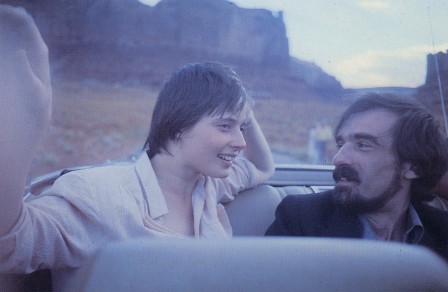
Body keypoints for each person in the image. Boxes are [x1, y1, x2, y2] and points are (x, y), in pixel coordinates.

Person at [0, 6, 275, 287]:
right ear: (180, 126)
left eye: (242, 129)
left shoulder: (210, 185)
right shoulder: (97, 196)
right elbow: (9, 244)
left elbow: (262, 167)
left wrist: (241, 107)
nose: (241, 142)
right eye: (225, 126)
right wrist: (24, 127)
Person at [266, 93, 448, 261]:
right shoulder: (301, 219)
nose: (338, 159)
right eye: (340, 144)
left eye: (362, 145)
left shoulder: (442, 230)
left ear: (413, 167)